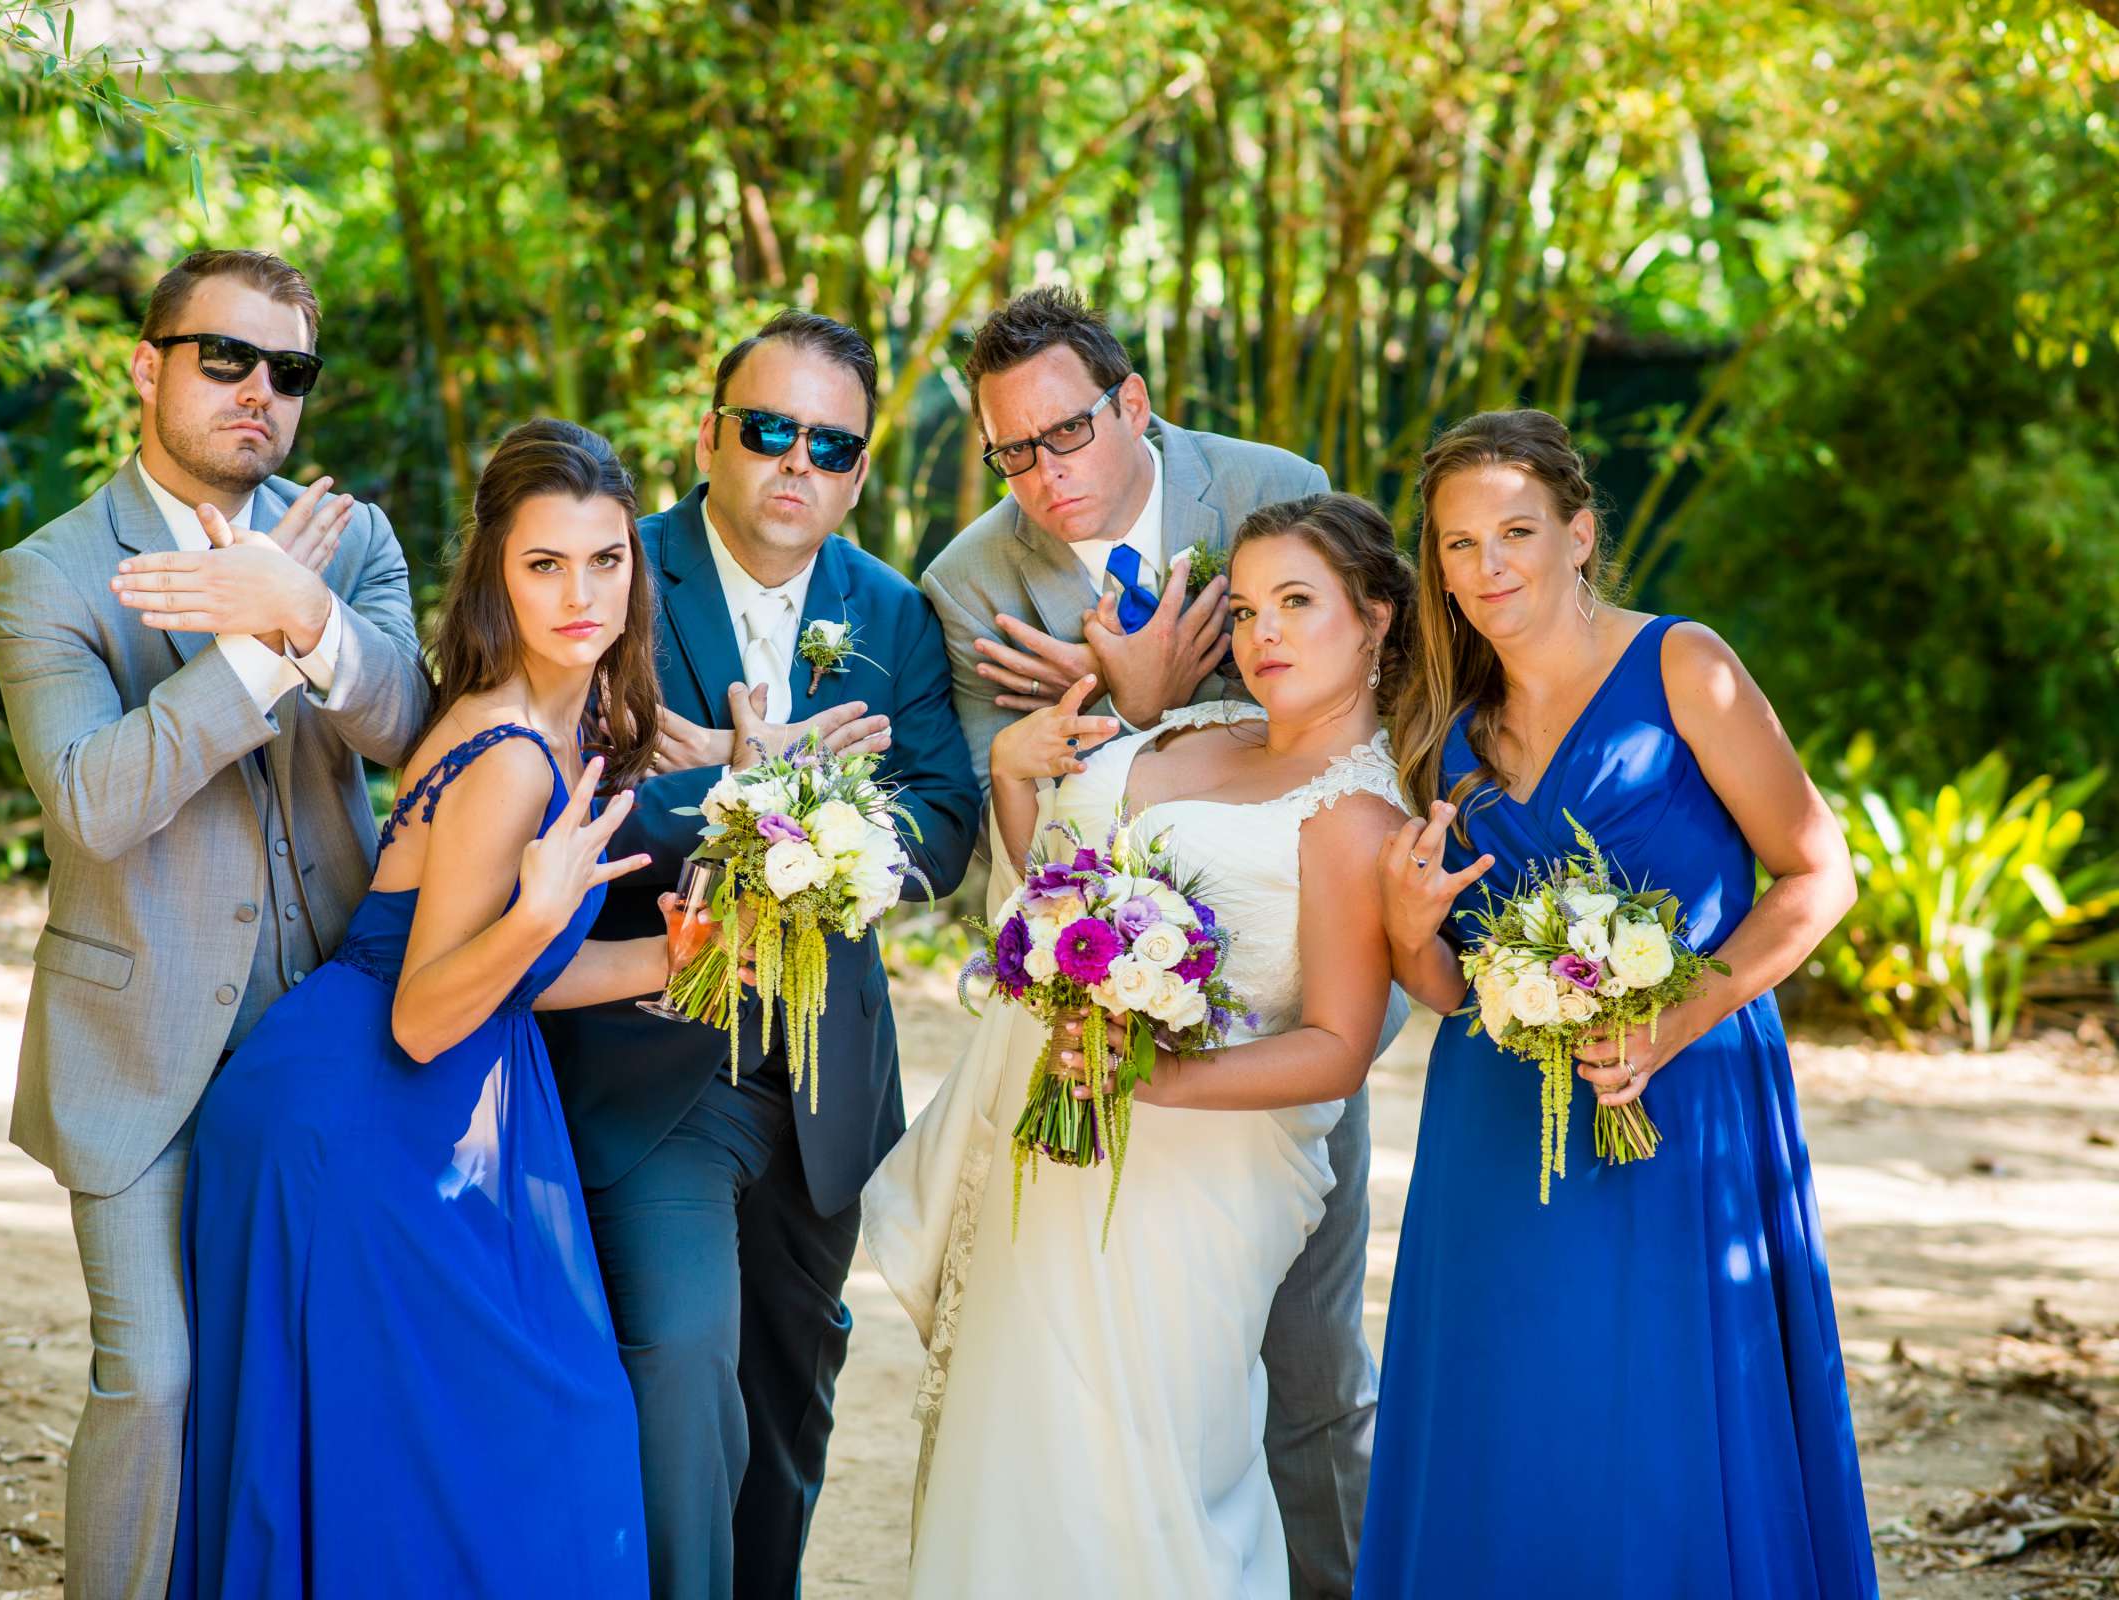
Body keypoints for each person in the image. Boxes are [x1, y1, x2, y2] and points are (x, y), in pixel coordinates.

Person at [1356, 409, 1878, 1598]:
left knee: (1661, 1416)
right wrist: (1402, 929)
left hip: (1684, 1103)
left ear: (1581, 534)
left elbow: (1819, 872)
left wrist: (1679, 1013)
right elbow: (1451, 989)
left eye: (1516, 533)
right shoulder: (1442, 730)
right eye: (1454, 544)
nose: (1487, 568)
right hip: (1495, 1127)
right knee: (1510, 1406)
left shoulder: (1684, 666)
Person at [170, 419, 691, 1596]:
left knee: (473, 1448)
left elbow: (507, 973)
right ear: (498, 575)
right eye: (544, 565)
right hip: (358, 1116)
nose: (581, 593)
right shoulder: (511, 748)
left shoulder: (575, 716)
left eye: (605, 560)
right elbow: (425, 1007)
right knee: (500, 1443)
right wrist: (538, 907)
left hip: (420, 1093)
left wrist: (673, 960)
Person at [866, 493, 1414, 1599]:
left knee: (1138, 1469)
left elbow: (1339, 1048)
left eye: (1298, 604)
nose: (1264, 636)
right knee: (1017, 1435)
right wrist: (1018, 776)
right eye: (1248, 609)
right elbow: (1048, 889)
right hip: (1049, 1144)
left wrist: (1154, 1075)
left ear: (1377, 619)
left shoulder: (1358, 816)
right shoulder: (1192, 727)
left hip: (1188, 1188)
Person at [0, 249, 427, 1600]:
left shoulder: (347, 542)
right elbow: (90, 805)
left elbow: (411, 725)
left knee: (312, 1371)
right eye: (223, 359)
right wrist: (244, 652)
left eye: (286, 371)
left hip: (334, 1038)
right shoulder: (48, 574)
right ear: (148, 365)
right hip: (139, 1041)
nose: (257, 393)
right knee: (158, 1381)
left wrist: (309, 618)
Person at [536, 312, 981, 1599]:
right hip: (651, 1046)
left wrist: (837, 843)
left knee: (790, 1389)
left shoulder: (890, 611)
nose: (798, 463)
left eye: (831, 444)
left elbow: (942, 815)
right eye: (769, 429)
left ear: (857, 469)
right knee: (679, 1361)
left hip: (826, 1076)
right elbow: (563, 792)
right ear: (710, 435)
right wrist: (750, 791)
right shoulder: (613, 571)